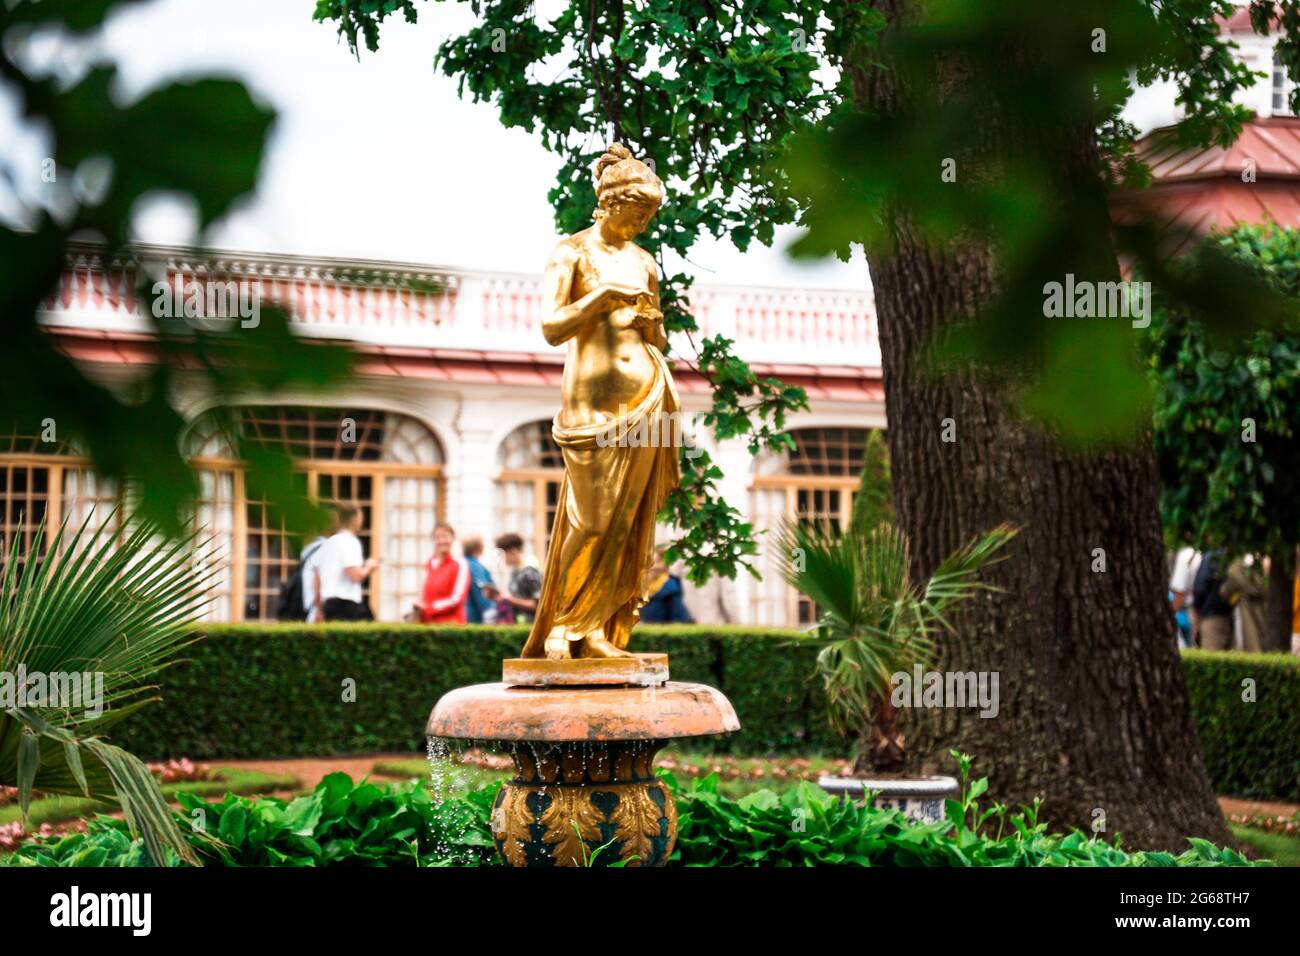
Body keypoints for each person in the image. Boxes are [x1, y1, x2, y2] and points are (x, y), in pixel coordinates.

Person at [518, 144, 680, 660]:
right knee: (591, 521)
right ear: (609, 204)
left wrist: (653, 327)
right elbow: (550, 327)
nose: (639, 226)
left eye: (647, 218)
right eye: (634, 215)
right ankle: (562, 626)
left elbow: (658, 340)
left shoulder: (645, 262)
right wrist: (599, 299)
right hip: (591, 412)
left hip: (648, 400)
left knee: (625, 523)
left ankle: (595, 630)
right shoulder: (572, 253)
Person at [318, 504, 379, 621]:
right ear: (354, 519)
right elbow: (354, 575)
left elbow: (317, 576)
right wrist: (369, 567)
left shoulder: (329, 542)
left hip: (327, 602)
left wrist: (319, 607)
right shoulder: (350, 541)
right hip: (345, 603)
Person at [417, 522, 470, 624]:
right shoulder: (429, 564)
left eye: (445, 536)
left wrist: (430, 608)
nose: (441, 541)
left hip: (451, 625)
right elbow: (424, 594)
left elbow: (457, 599)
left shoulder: (460, 564)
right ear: (433, 540)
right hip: (428, 624)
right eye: (437, 537)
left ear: (453, 538)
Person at [1221, 554, 1269, 653]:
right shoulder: (1266, 564)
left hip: (1246, 617)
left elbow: (1224, 592)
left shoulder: (1237, 569)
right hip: (1260, 618)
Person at [491, 533, 542, 625]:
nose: (502, 559)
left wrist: (510, 600)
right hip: (518, 624)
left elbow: (538, 605)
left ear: (513, 552)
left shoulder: (530, 572)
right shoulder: (515, 571)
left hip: (530, 627)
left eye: (503, 554)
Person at [300, 509, 340, 623]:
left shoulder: (310, 548)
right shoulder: (327, 548)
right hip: (319, 608)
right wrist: (319, 609)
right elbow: (319, 578)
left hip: (308, 607)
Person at [1191, 548, 1233, 651]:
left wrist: (1196, 608)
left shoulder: (1211, 557)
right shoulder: (1232, 557)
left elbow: (1200, 588)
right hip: (1228, 615)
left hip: (1210, 614)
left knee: (1211, 654)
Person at [639, 546, 693, 624]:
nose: (653, 567)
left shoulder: (671, 586)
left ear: (665, 564)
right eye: (649, 563)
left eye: (657, 562)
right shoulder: (640, 586)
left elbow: (680, 615)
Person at [1168, 546, 1201, 648]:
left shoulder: (1186, 555)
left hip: (1189, 612)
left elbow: (1179, 592)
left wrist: (1169, 617)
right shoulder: (1199, 553)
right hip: (1200, 608)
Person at [461, 536, 497, 624]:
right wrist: (490, 610)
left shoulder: (462, 563)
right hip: (475, 617)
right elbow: (482, 591)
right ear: (479, 547)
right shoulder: (475, 566)